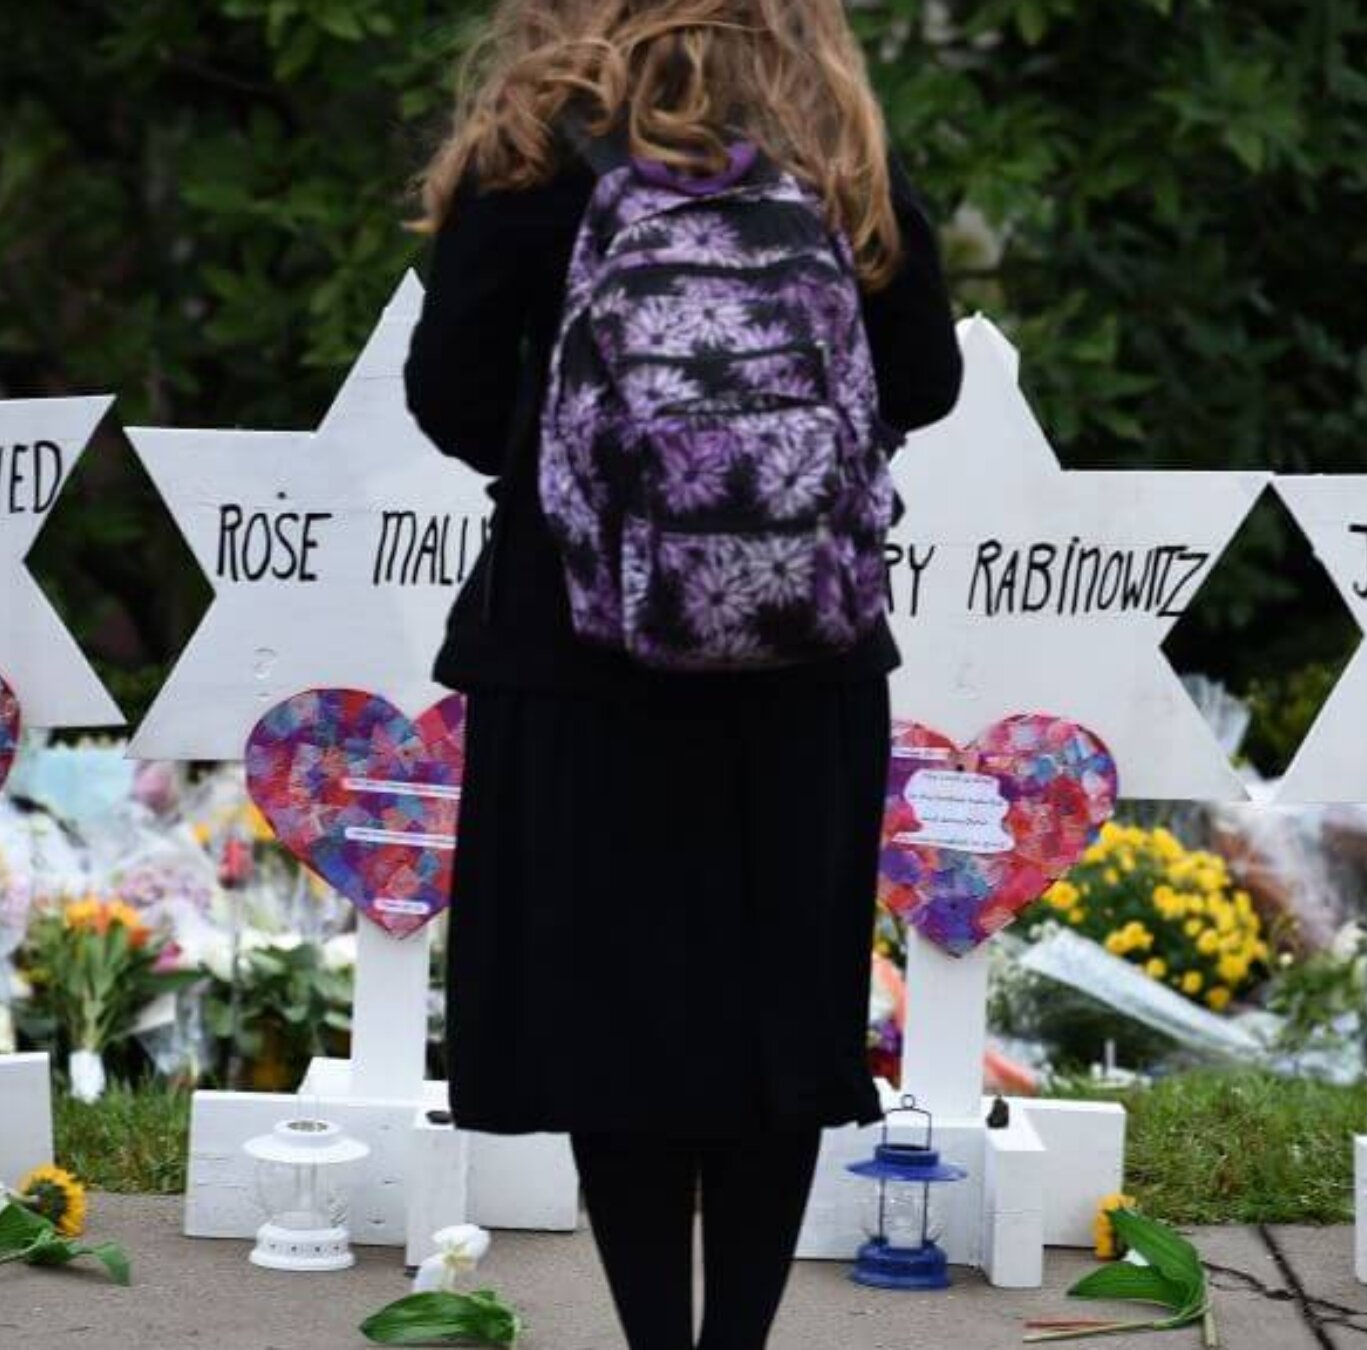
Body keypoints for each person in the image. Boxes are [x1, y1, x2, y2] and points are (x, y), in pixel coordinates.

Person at [403, 3, 961, 1346]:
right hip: (804, 658)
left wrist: (595, 476)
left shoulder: (536, 154)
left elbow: (447, 388)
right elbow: (927, 378)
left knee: (623, 1034)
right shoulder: (834, 156)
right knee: (773, 1036)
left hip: (577, 653)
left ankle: (656, 1334)